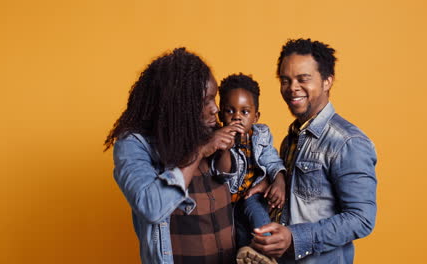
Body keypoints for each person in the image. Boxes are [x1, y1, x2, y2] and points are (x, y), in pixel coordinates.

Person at [104, 48, 245, 264]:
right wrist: (199, 151)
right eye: (205, 101)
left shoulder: (206, 130)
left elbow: (232, 187)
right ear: (178, 104)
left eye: (214, 98)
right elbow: (152, 207)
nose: (215, 108)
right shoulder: (133, 145)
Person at [250, 38, 377, 263]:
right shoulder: (292, 138)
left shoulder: (347, 142)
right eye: (285, 80)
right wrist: (271, 182)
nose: (292, 88)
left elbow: (362, 218)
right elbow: (303, 198)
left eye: (303, 79)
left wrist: (295, 238)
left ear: (327, 81)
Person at [212, 73, 286, 264]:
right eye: (230, 111)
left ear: (256, 116)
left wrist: (279, 180)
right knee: (239, 235)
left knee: (257, 214)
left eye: (244, 112)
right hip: (227, 202)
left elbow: (272, 160)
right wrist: (225, 147)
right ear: (220, 114)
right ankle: (251, 257)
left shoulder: (261, 134)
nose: (237, 116)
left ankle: (268, 251)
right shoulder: (217, 138)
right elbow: (222, 175)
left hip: (252, 195)